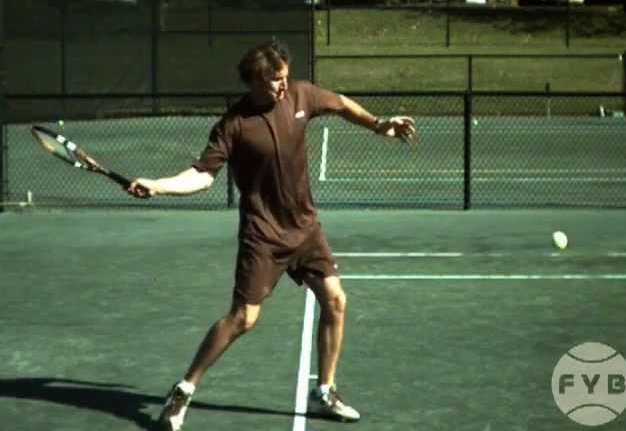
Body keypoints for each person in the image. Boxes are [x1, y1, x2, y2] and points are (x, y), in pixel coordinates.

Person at [128, 41, 416, 431]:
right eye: (276, 79)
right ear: (256, 80)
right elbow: (202, 176)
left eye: (285, 76)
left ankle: (325, 391)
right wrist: (159, 185)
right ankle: (183, 390)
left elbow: (342, 103)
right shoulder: (233, 124)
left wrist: (379, 124)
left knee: (336, 300)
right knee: (243, 319)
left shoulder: (300, 93)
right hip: (263, 235)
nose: (284, 84)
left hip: (306, 228)